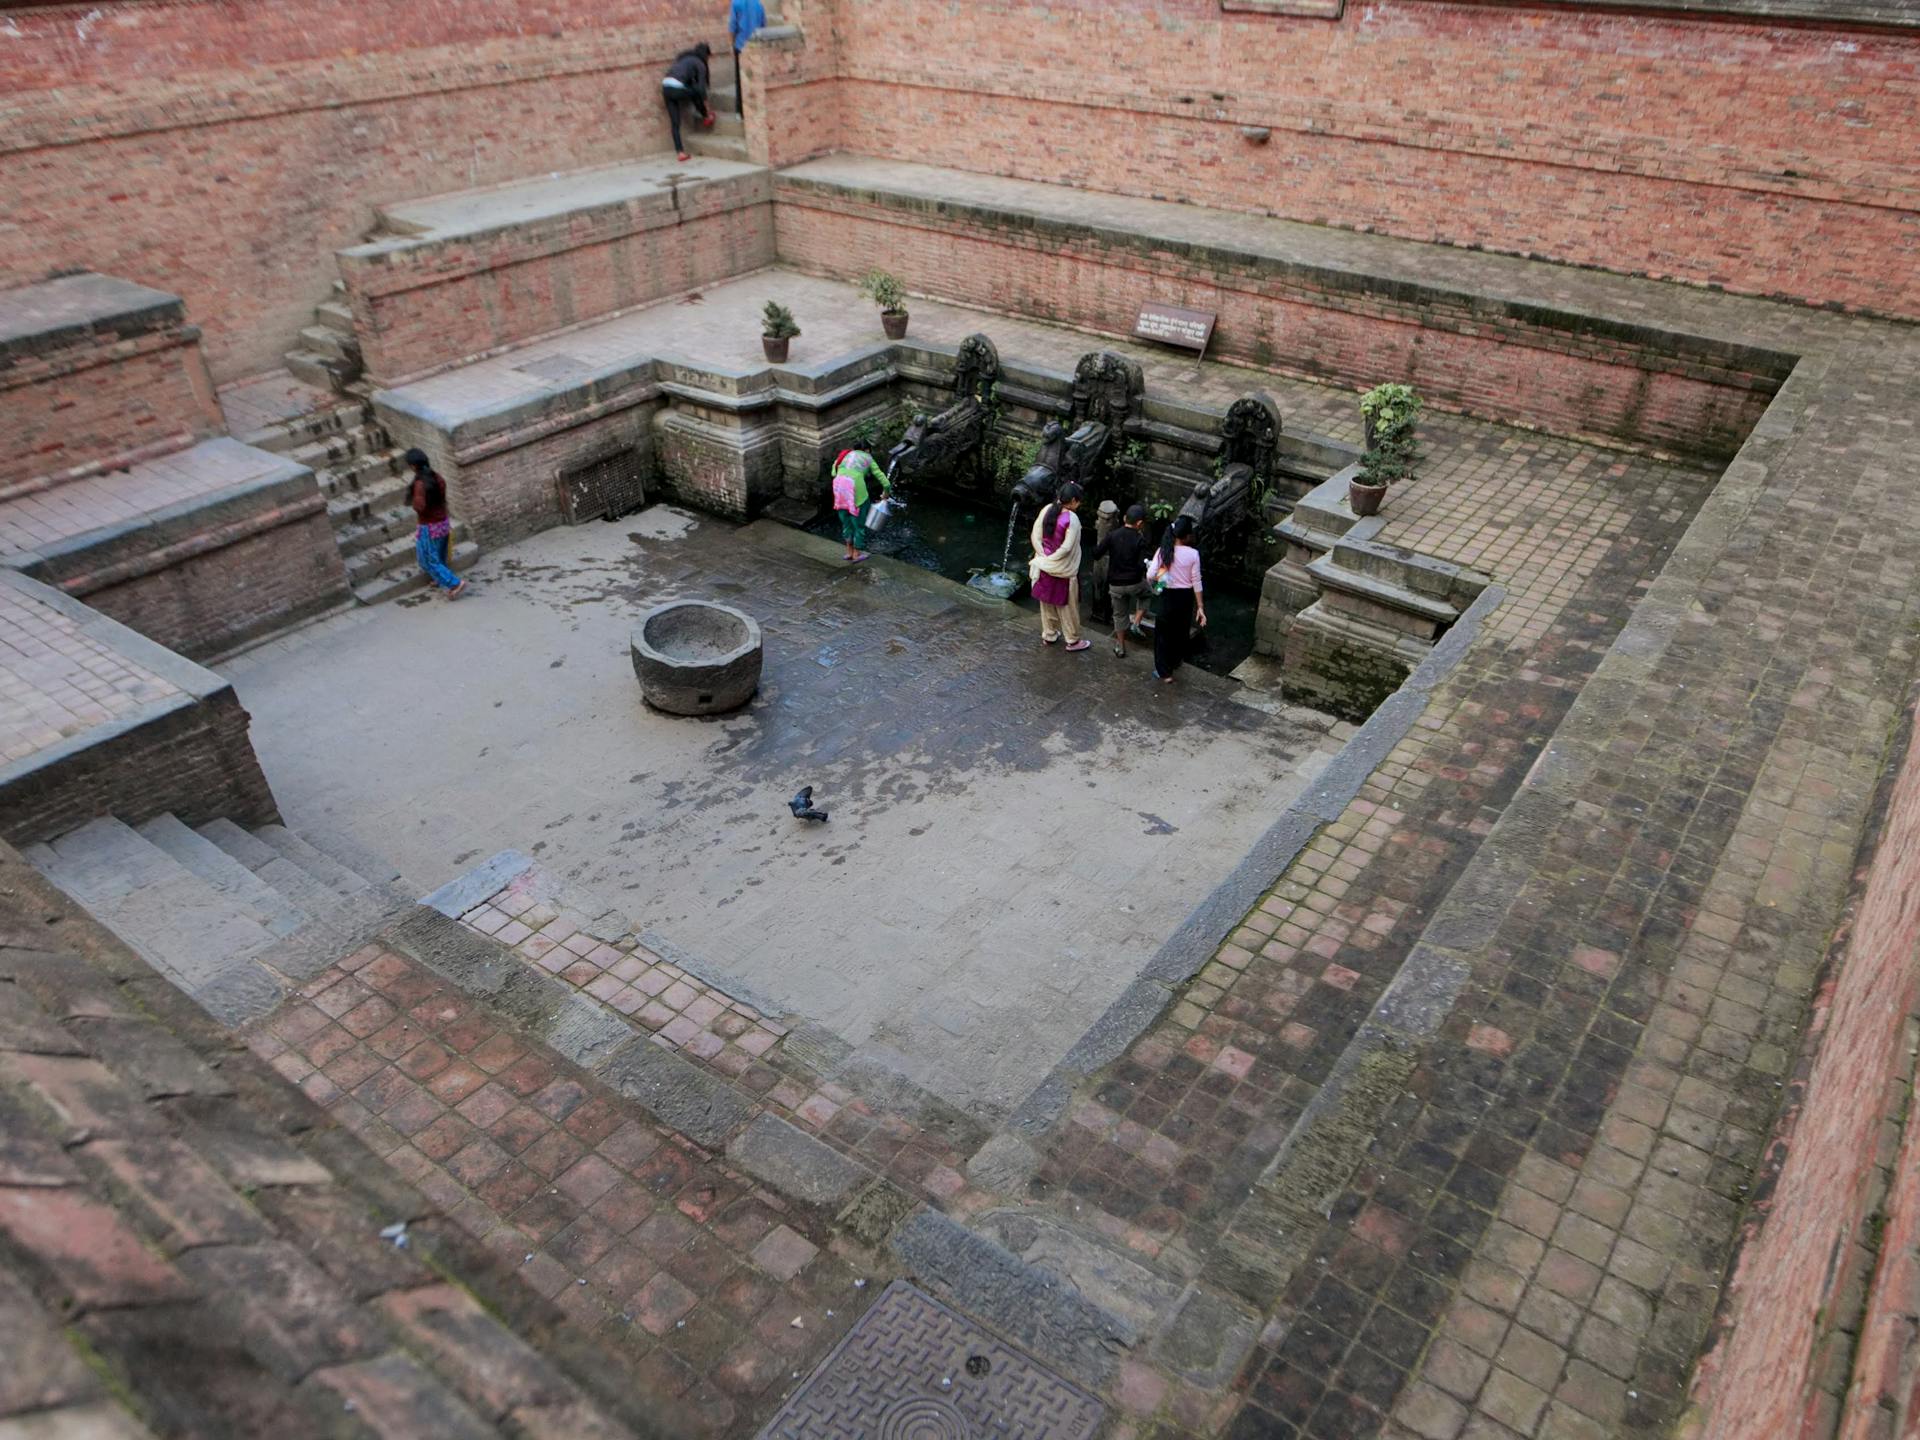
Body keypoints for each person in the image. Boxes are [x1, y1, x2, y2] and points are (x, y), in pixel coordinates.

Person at [1029, 482, 1090, 652]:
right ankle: (1072, 640)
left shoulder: (1047, 509)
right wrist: (1054, 559)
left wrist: (1044, 557)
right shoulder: (1072, 519)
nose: (1079, 505)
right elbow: (1067, 548)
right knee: (1067, 606)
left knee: (1047, 602)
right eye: (1078, 501)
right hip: (1063, 569)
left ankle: (1049, 635)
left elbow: (1036, 535)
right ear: (1072, 500)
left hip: (1044, 565)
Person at [1145, 514, 1205, 682]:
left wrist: (1161, 579)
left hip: (1168, 595)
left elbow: (1150, 575)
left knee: (1163, 633)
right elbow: (1196, 581)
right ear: (1186, 536)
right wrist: (1200, 606)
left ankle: (1164, 672)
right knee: (1180, 631)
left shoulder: (1163, 551)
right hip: (1185, 597)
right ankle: (1176, 661)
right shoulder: (1193, 554)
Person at [404, 448, 467, 599]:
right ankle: (440, 578)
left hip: (429, 527)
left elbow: (419, 507)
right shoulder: (437, 477)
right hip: (443, 523)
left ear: (413, 466)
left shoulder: (420, 484)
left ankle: (455, 583)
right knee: (439, 556)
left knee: (427, 560)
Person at [1094, 503, 1153, 658]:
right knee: (1148, 593)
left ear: (1125, 518)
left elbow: (1096, 553)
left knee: (1119, 615)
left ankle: (1120, 646)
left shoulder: (1112, 535)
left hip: (1115, 585)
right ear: (1140, 524)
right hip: (1135, 583)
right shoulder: (1140, 540)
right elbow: (1144, 564)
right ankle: (1136, 623)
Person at [831, 447, 888, 563]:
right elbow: (885, 481)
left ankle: (849, 552)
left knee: (846, 523)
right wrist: (886, 493)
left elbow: (833, 472)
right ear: (867, 450)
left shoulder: (845, 454)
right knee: (859, 526)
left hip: (839, 489)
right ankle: (856, 554)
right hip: (857, 490)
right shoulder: (868, 458)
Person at [663, 42, 717, 161]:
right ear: (706, 55)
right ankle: (706, 116)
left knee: (675, 123)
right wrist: (707, 108)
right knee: (696, 91)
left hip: (665, 86)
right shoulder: (700, 64)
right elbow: (701, 89)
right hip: (677, 87)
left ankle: (680, 152)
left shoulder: (683, 59)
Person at [729, 0, 767, 116]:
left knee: (740, 80)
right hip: (756, 47)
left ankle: (740, 112)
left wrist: (731, 45)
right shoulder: (759, 4)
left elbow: (732, 26)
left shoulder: (736, 3)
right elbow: (763, 25)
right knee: (757, 77)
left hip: (740, 46)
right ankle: (758, 108)